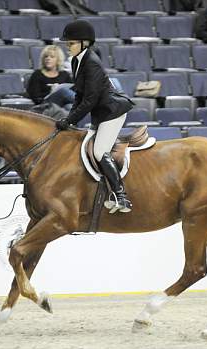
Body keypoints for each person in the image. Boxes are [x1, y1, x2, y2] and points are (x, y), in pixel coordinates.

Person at [55, 20, 134, 213]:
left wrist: (70, 120)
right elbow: (79, 95)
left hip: (112, 112)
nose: (68, 47)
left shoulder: (92, 63)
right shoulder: (76, 61)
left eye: (71, 43)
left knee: (99, 152)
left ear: (85, 43)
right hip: (100, 112)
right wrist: (69, 117)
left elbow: (90, 100)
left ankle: (121, 196)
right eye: (68, 43)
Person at [26, 45, 74, 109]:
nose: (48, 58)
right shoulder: (37, 74)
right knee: (63, 91)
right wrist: (52, 93)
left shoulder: (64, 74)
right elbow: (35, 97)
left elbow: (72, 90)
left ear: (58, 60)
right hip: (44, 105)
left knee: (69, 107)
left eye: (52, 57)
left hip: (61, 104)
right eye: (46, 56)